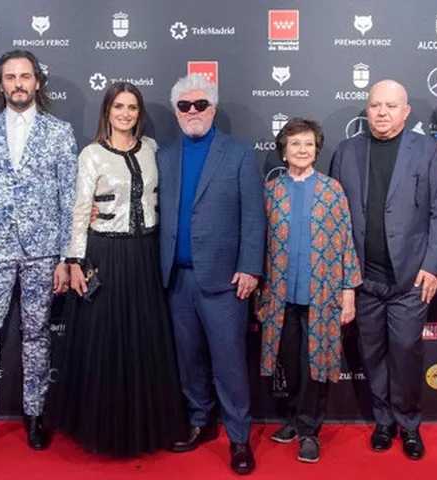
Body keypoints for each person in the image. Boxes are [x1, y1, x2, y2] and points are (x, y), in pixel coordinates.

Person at [0, 50, 78, 459]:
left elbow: (68, 197)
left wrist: (65, 255)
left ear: (37, 82)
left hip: (43, 252)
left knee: (37, 334)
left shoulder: (60, 131)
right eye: (10, 77)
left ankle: (35, 414)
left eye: (25, 76)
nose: (18, 83)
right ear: (0, 84)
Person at [57, 82, 186, 456]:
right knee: (106, 342)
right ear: (107, 112)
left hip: (146, 254)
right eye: (119, 107)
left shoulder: (152, 149)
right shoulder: (91, 155)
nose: (126, 114)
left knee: (144, 340)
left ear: (139, 112)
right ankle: (101, 427)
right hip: (105, 255)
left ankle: (146, 426)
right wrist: (75, 261)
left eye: (132, 107)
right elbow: (81, 211)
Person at [329, 80, 437, 460]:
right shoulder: (346, 152)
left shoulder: (429, 150)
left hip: (410, 279)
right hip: (363, 279)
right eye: (375, 105)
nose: (381, 112)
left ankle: (409, 424)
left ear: (406, 111)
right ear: (366, 110)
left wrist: (432, 267)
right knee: (372, 353)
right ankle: (383, 422)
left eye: (390, 106)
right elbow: (334, 216)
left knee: (405, 352)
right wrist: (344, 277)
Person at [158, 74, 265, 475]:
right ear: (176, 111)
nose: (192, 112)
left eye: (200, 105)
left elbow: (254, 216)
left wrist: (251, 266)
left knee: (230, 364)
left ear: (213, 109)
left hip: (225, 280)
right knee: (189, 361)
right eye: (184, 106)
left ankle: (239, 439)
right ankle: (200, 422)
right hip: (176, 278)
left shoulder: (237, 153)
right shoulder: (164, 155)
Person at [258, 118, 362, 464]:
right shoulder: (271, 190)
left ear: (316, 149)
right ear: (283, 151)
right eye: (294, 144)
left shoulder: (332, 190)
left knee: (315, 363)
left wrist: (348, 290)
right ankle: (290, 419)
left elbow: (346, 241)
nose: (301, 150)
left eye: (307, 144)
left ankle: (309, 431)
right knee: (287, 362)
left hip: (323, 294)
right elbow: (261, 243)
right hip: (280, 295)